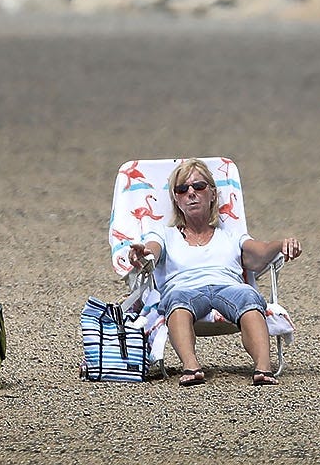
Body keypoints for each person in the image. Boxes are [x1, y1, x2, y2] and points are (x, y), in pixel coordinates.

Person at [127, 158, 303, 386]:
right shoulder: (164, 233)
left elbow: (258, 253)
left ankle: (263, 368)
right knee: (177, 299)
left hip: (228, 288)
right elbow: (152, 251)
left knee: (249, 296)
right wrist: (142, 254)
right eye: (182, 189)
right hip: (185, 290)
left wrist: (280, 244)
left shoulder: (230, 234)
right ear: (176, 199)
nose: (191, 193)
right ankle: (191, 366)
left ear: (212, 194)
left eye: (199, 186)